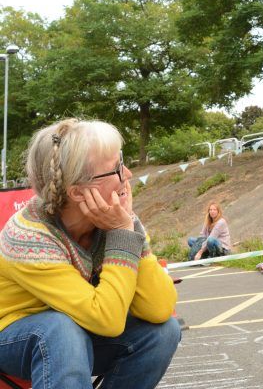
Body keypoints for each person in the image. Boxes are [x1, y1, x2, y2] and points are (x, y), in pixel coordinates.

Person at [0, 118, 181, 388]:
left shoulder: (110, 220)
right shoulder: (28, 237)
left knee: (163, 332)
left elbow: (159, 308)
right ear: (78, 192)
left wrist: (129, 229)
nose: (128, 174)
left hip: (74, 333)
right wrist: (122, 234)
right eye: (117, 168)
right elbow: (106, 320)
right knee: (60, 330)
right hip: (13, 336)